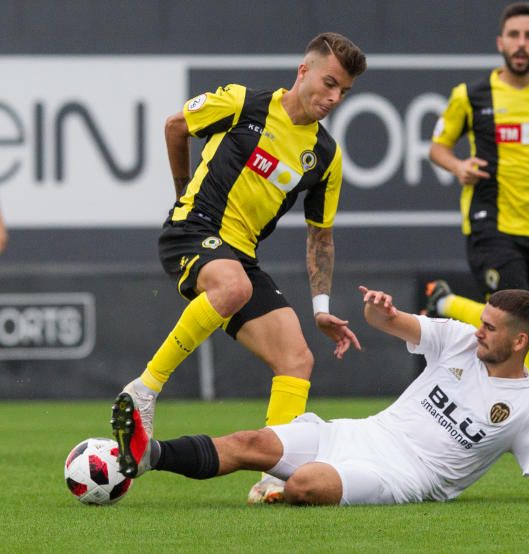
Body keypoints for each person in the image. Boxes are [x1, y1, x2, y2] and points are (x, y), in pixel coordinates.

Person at [109, 33, 368, 501]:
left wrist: (322, 307)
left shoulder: (326, 156)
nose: (333, 98)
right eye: (329, 83)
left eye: (344, 92)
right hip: (193, 231)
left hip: (238, 257)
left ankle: (272, 478)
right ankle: (143, 391)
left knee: (297, 358)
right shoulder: (243, 103)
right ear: (303, 71)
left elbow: (321, 236)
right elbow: (175, 126)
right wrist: (182, 193)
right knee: (233, 287)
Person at [112, 285, 529, 506]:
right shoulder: (457, 339)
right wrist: (379, 309)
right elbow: (385, 323)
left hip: (400, 475)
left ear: (520, 342)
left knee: (305, 483)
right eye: (480, 322)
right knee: (249, 443)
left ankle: (279, 494)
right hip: (362, 432)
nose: (478, 333)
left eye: (490, 328)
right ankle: (148, 455)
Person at [425, 2, 529, 373]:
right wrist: (459, 166)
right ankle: (519, 416)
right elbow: (437, 147)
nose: (521, 44)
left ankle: (445, 304)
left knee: (527, 327)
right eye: (514, 36)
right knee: (513, 320)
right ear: (500, 42)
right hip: (490, 225)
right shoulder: (472, 96)